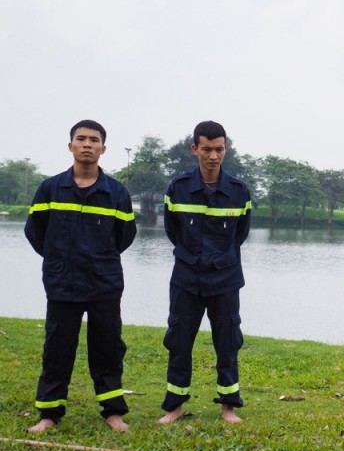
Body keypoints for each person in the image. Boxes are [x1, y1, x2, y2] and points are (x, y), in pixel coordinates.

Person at [24, 120, 137, 433]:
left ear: (103, 148)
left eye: (94, 140)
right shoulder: (50, 189)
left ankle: (114, 412)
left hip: (104, 283)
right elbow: (36, 233)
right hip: (62, 283)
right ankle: (48, 414)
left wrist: (99, 259)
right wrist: (60, 258)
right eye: (81, 138)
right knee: (57, 348)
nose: (87, 144)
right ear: (70, 145)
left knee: (108, 348)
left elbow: (125, 236)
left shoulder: (116, 193)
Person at [158, 121, 252, 424]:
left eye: (219, 149)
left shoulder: (239, 191)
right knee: (179, 341)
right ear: (195, 149)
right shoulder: (178, 188)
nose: (214, 156)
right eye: (207, 149)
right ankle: (175, 406)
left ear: (226, 149)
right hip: (186, 277)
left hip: (225, 279)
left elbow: (241, 234)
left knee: (228, 342)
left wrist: (219, 258)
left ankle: (228, 406)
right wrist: (193, 256)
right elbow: (173, 231)